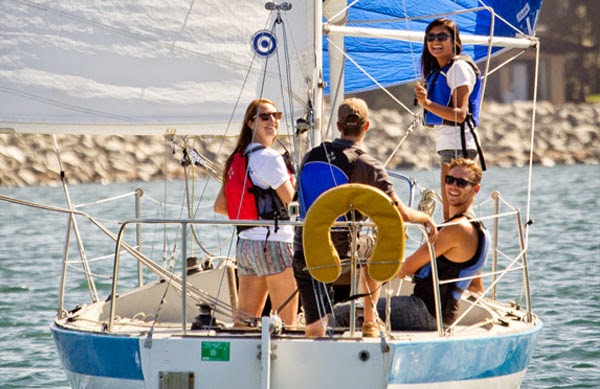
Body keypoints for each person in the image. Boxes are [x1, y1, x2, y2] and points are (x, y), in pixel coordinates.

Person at [293, 97, 437, 338]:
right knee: (373, 245)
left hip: (304, 248)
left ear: (338, 126)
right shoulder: (368, 165)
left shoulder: (309, 157)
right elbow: (399, 213)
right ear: (367, 126)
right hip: (341, 249)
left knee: (315, 328)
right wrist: (426, 218)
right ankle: (370, 320)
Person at [334, 158, 489, 331]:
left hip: (426, 312)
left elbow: (406, 268)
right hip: (438, 311)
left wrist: (374, 259)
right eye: (449, 180)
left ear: (475, 189)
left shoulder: (458, 228)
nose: (453, 186)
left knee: (339, 313)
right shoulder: (476, 226)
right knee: (355, 307)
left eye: (461, 183)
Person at [214, 98, 298, 327]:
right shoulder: (269, 158)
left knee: (244, 322)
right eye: (265, 116)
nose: (272, 120)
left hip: (247, 246)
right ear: (250, 124)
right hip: (276, 244)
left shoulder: (237, 159)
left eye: (276, 116)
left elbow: (220, 206)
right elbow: (292, 203)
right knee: (287, 324)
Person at [415, 18, 485, 221]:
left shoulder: (458, 68)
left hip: (459, 146)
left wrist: (427, 104)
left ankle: (461, 246)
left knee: (454, 211)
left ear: (454, 41)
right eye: (430, 37)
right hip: (449, 145)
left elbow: (459, 114)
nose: (435, 41)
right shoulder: (441, 69)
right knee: (450, 211)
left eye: (442, 37)